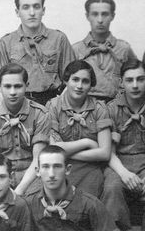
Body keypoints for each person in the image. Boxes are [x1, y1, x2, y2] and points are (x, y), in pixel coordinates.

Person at [102, 60, 145, 231]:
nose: (135, 85)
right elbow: (109, 152)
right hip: (119, 163)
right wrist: (123, 173)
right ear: (121, 83)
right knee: (112, 190)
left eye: (140, 79)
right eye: (129, 80)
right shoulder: (111, 109)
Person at [0, 0, 75, 105]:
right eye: (26, 7)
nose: (32, 12)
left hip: (52, 101)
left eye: (36, 7)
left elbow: (72, 79)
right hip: (19, 103)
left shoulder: (59, 39)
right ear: (17, 12)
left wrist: (58, 105)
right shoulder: (6, 42)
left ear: (43, 10)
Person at [46, 60, 111, 197]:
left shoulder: (99, 108)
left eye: (85, 81)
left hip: (90, 169)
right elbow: (53, 148)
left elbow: (105, 153)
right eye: (75, 80)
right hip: (60, 168)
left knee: (86, 203)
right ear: (66, 81)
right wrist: (87, 143)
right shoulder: (53, 106)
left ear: (91, 85)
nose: (79, 86)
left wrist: (67, 152)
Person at [0, 63, 50, 196]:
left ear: (27, 85)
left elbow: (38, 158)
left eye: (18, 86)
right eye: (7, 86)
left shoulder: (40, 113)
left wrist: (20, 190)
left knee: (35, 201)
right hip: (2, 172)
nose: (12, 92)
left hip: (32, 174)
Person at [26, 145, 118, 231]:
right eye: (45, 167)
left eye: (57, 166)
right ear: (38, 171)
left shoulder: (90, 205)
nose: (51, 174)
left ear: (67, 169)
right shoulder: (29, 205)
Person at [73, 0, 137, 103]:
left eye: (105, 14)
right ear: (87, 16)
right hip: (84, 106)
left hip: (117, 106)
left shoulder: (123, 48)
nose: (100, 20)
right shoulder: (76, 49)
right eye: (95, 14)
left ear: (112, 16)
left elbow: (136, 78)